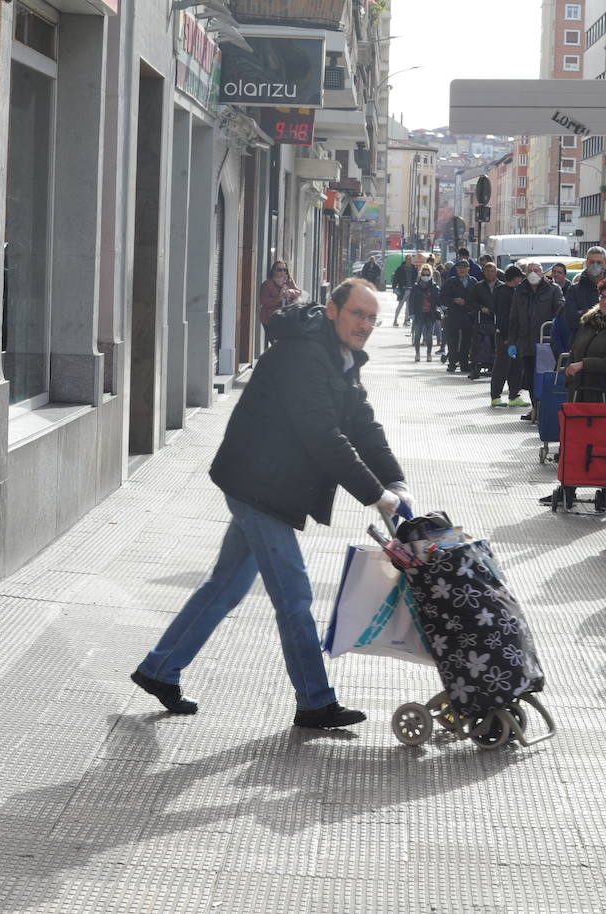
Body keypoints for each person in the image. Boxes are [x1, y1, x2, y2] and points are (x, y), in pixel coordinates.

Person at [131, 278, 412, 730]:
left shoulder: (339, 356)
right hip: (258, 484)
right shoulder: (304, 354)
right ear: (332, 310)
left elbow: (362, 423)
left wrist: (395, 479)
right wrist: (375, 494)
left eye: (372, 318)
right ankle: (315, 701)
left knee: (225, 586)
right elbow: (322, 435)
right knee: (295, 595)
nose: (364, 324)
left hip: (268, 484)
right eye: (357, 314)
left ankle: (159, 669)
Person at [538, 276, 606, 509]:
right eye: (603, 297)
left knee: (601, 444)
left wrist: (585, 364)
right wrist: (574, 371)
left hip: (605, 394)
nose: (605, 302)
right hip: (579, 391)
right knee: (573, 441)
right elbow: (576, 349)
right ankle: (567, 486)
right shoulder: (590, 322)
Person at [506, 261, 564, 421]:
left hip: (546, 343)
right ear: (525, 274)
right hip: (526, 342)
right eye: (530, 270)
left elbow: (560, 310)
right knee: (531, 379)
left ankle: (545, 409)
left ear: (542, 272)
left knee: (545, 378)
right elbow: (514, 317)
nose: (533, 273)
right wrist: (512, 342)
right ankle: (535, 408)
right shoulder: (520, 291)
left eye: (536, 270)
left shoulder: (553, 289)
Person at [551, 246, 606, 355]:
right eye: (592, 262)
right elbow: (572, 321)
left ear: (605, 264)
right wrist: (601, 314)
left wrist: (583, 313)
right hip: (581, 348)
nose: (595, 265)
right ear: (586, 263)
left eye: (599, 262)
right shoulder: (574, 290)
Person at [489, 264, 526, 407]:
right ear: (515, 278)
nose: (520, 280)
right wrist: (506, 337)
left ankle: (514, 395)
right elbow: (502, 317)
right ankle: (496, 396)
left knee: (516, 366)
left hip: (516, 336)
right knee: (502, 366)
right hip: (505, 336)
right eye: (519, 278)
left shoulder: (515, 291)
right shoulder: (503, 293)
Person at [441, 259, 478, 374]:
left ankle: (464, 363)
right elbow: (442, 297)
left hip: (468, 316)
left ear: (468, 269)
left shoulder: (473, 281)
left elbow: (477, 298)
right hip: (454, 315)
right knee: (453, 340)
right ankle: (452, 363)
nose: (462, 270)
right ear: (456, 269)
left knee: (467, 341)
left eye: (464, 268)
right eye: (460, 268)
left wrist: (467, 303)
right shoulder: (450, 282)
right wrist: (453, 300)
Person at [466, 261, 501, 380]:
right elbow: (470, 302)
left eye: (492, 271)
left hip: (497, 320)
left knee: (495, 344)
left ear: (496, 272)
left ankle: (494, 366)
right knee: (478, 344)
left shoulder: (501, 286)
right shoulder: (478, 287)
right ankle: (475, 367)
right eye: (488, 271)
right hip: (481, 320)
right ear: (484, 273)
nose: (490, 274)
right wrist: (481, 308)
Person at [409, 264, 441, 361]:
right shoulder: (415, 287)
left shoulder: (434, 287)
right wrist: (411, 313)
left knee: (429, 336)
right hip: (418, 314)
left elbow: (438, 301)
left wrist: (440, 308)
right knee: (417, 335)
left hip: (430, 315)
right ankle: (417, 354)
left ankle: (429, 354)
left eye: (427, 274)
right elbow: (411, 301)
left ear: (431, 275)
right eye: (423, 274)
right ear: (420, 274)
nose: (425, 276)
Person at [259, 261, 302, 330]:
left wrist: (291, 292)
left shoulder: (289, 281)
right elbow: (264, 301)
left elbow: (299, 293)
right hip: (270, 318)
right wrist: (278, 298)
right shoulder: (267, 284)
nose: (282, 272)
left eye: (285, 270)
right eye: (279, 270)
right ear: (274, 271)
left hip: (287, 318)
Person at [392, 255, 417, 326]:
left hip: (411, 289)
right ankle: (395, 320)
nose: (410, 260)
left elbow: (415, 279)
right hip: (403, 289)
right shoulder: (400, 268)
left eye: (411, 259)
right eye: (408, 259)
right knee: (400, 305)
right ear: (406, 260)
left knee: (408, 307)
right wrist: (394, 287)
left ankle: (406, 320)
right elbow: (395, 278)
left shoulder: (414, 268)